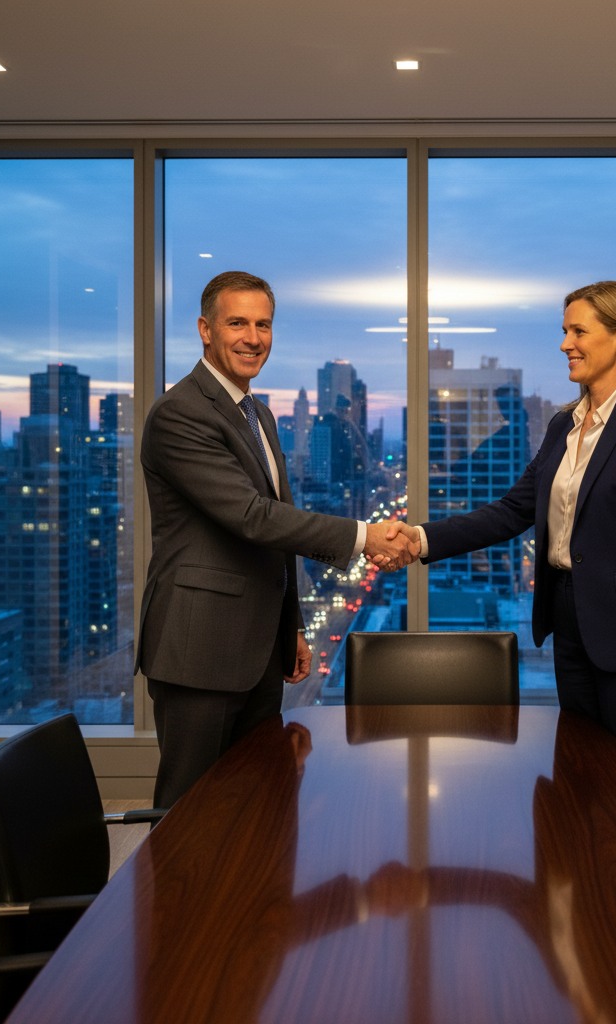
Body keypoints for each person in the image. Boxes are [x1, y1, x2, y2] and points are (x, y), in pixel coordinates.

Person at [395, 280, 616, 785]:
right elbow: (512, 511)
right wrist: (419, 539)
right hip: (570, 626)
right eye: (565, 331)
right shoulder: (564, 427)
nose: (565, 344)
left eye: (579, 331)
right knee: (579, 774)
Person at [136, 271, 418, 807]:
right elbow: (252, 517)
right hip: (199, 649)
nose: (252, 337)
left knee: (255, 802)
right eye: (237, 323)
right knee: (187, 812)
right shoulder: (180, 414)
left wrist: (289, 626)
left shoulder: (257, 413)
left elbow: (275, 528)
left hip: (257, 649)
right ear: (204, 329)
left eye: (263, 324)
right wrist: (364, 535)